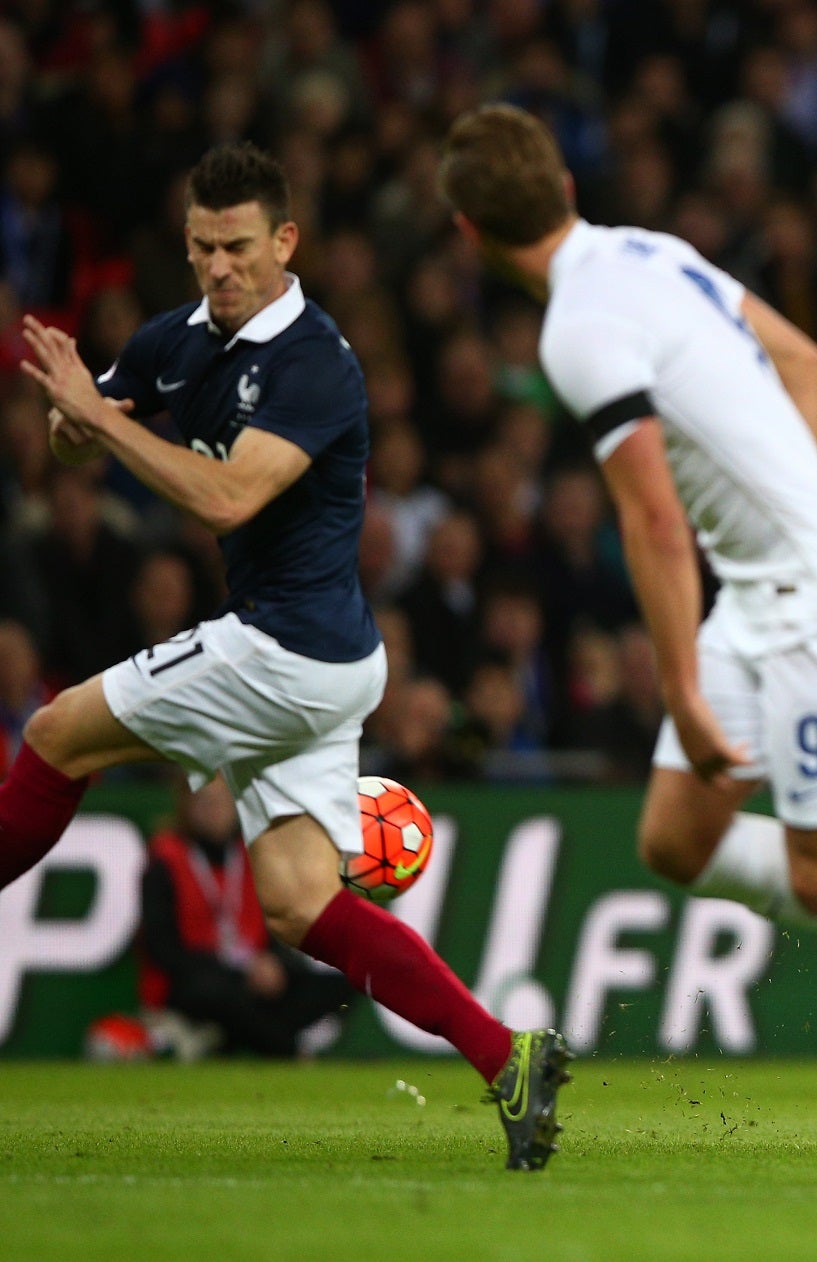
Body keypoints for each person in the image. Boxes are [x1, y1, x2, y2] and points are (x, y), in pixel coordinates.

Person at [437, 103, 817, 1193]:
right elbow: (804, 357)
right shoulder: (648, 251)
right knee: (674, 837)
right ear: (565, 192)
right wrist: (783, 488)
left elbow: (655, 523)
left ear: (467, 233)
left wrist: (680, 676)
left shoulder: (574, 328)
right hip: (765, 590)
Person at [3, 143, 569, 1172]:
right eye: (201, 247)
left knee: (53, 733)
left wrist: (99, 423)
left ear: (285, 242)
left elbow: (226, 497)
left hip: (280, 649)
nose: (219, 267)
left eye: (238, 247)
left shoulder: (316, 362)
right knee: (302, 901)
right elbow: (87, 434)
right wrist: (78, 420)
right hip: (326, 663)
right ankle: (507, 1056)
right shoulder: (176, 337)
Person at [139, 776, 353, 1059]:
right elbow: (161, 946)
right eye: (205, 801)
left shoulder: (251, 855)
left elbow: (272, 926)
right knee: (218, 993)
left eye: (221, 801)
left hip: (251, 976)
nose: (214, 810)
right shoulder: (166, 858)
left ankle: (228, 1039)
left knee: (341, 982)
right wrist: (235, 969)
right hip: (195, 978)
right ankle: (290, 1051)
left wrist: (273, 962)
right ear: (187, 805)